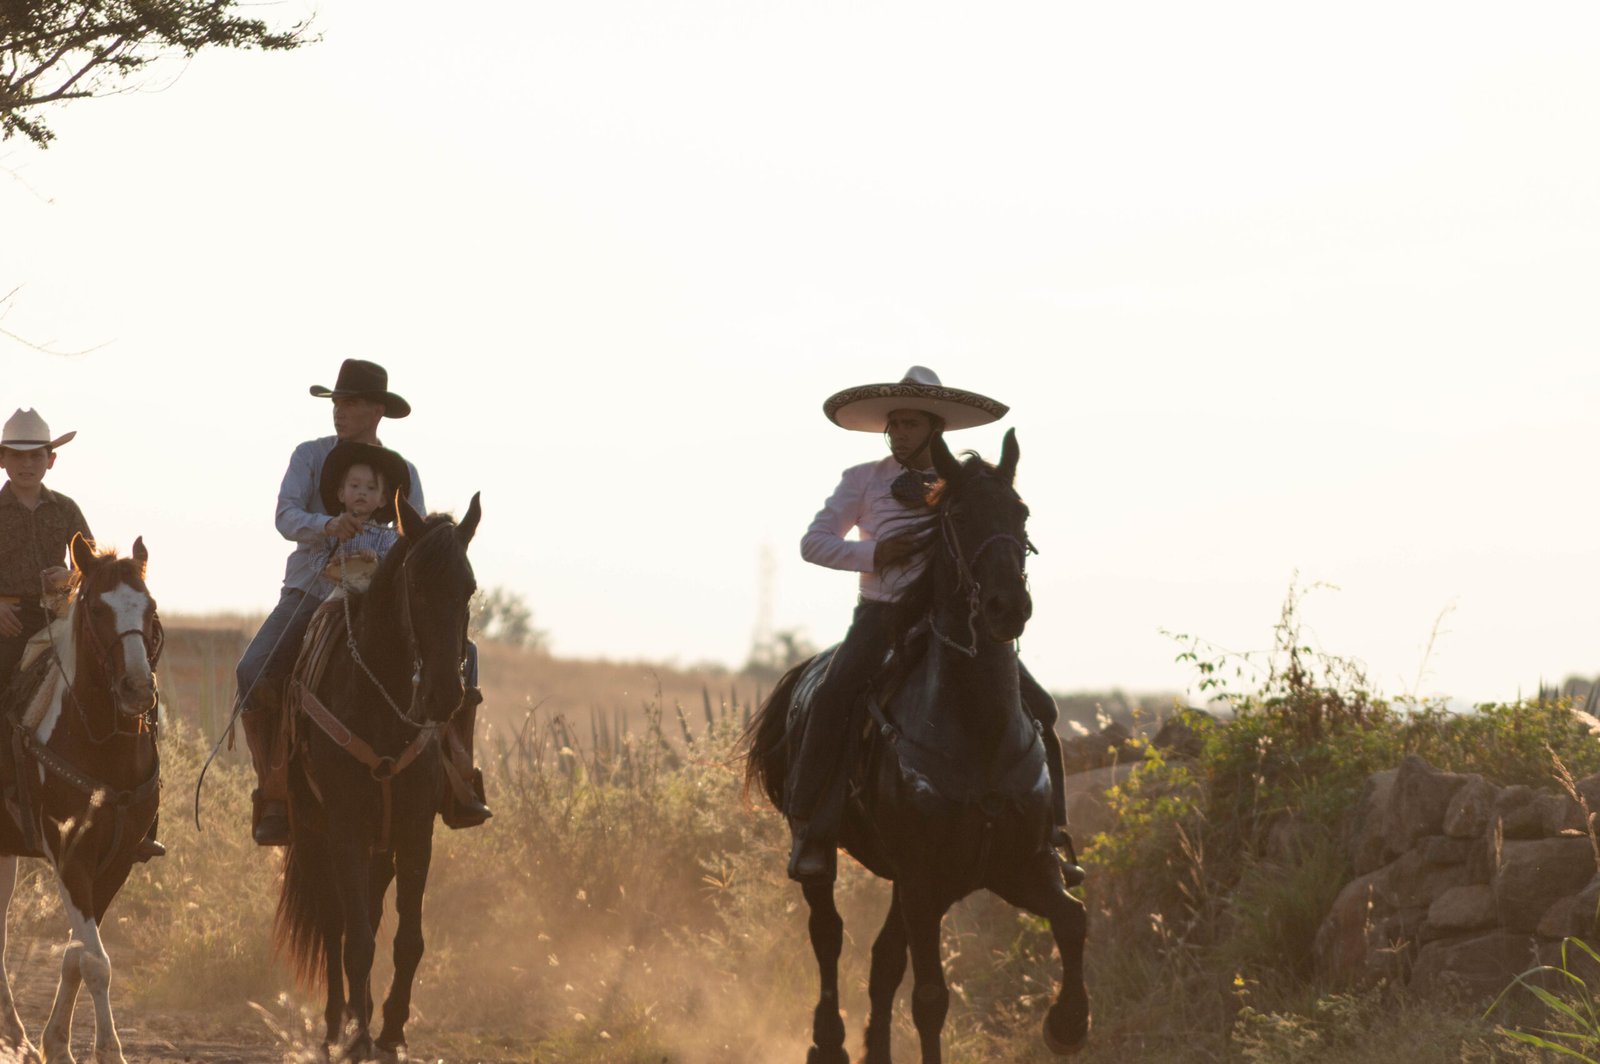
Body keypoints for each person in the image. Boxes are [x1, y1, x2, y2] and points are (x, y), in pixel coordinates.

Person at [786, 366, 1070, 882]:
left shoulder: (962, 485)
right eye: (894, 424)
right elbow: (814, 543)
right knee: (831, 698)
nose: (898, 433)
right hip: (882, 618)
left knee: (1041, 708)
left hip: (955, 624)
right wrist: (873, 551)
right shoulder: (861, 480)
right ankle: (813, 831)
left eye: (910, 424)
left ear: (933, 429)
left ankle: (1051, 840)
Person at [0, 408, 165, 861]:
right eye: (17, 454)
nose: (26, 463)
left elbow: (97, 571)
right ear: (3, 460)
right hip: (9, 623)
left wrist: (70, 576)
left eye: (37, 455)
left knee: (125, 686)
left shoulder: (67, 509)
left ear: (51, 460)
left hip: (61, 619)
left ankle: (141, 817)